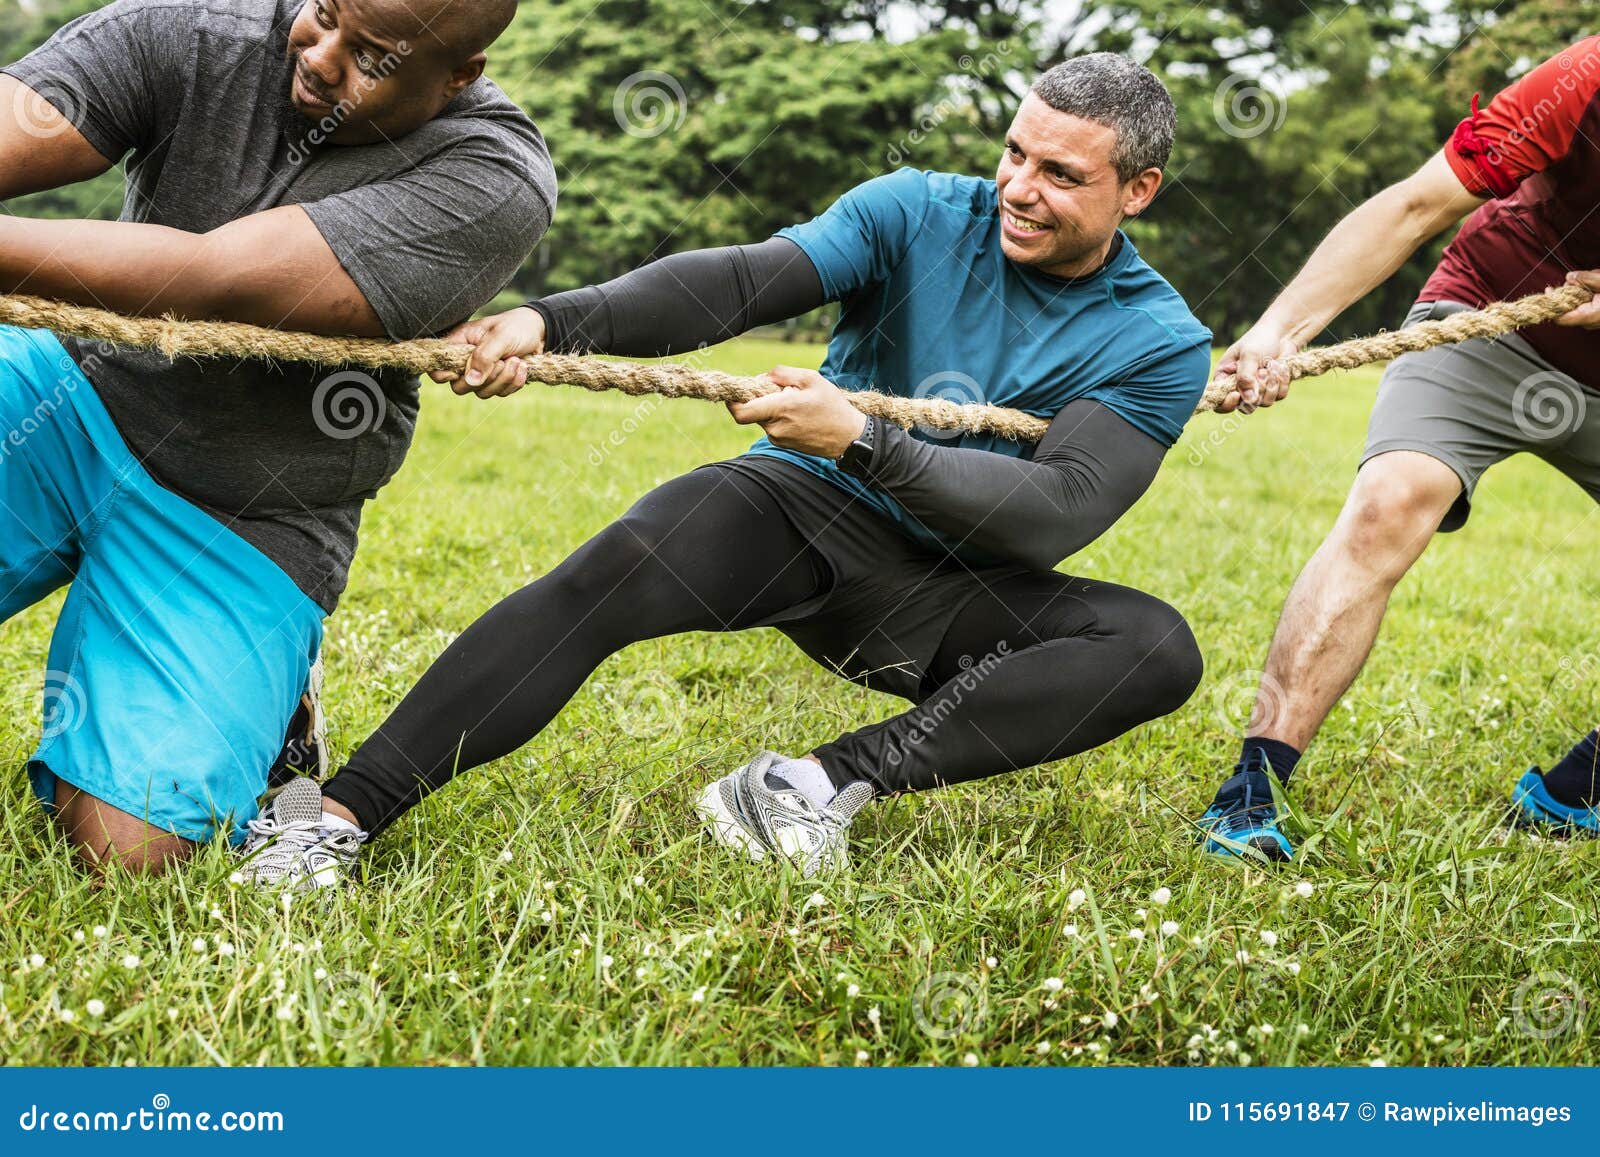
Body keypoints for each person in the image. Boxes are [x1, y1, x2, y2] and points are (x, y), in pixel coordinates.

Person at [242, 52, 1212, 888]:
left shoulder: (1157, 339)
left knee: (1151, 645)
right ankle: (334, 817)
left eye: (1060, 173)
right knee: (609, 574)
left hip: (953, 582)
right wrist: (553, 320)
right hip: (802, 508)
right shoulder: (917, 211)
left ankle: (809, 785)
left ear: (1138, 189)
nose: (1018, 187)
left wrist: (865, 439)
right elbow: (745, 280)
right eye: (1013, 154)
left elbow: (1054, 512)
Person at [0, 0, 556, 873]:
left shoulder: (492, 176)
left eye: (371, 56)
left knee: (130, 846)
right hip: (68, 390)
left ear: (459, 75)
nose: (320, 55)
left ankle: (276, 707)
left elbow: (214, 278)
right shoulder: (187, 31)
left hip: (249, 504)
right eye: (323, 10)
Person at [1199, 37, 1600, 861]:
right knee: (1391, 501)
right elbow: (1417, 205)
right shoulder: (1583, 82)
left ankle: (1576, 792)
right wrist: (1279, 329)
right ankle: (1253, 791)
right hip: (1492, 312)